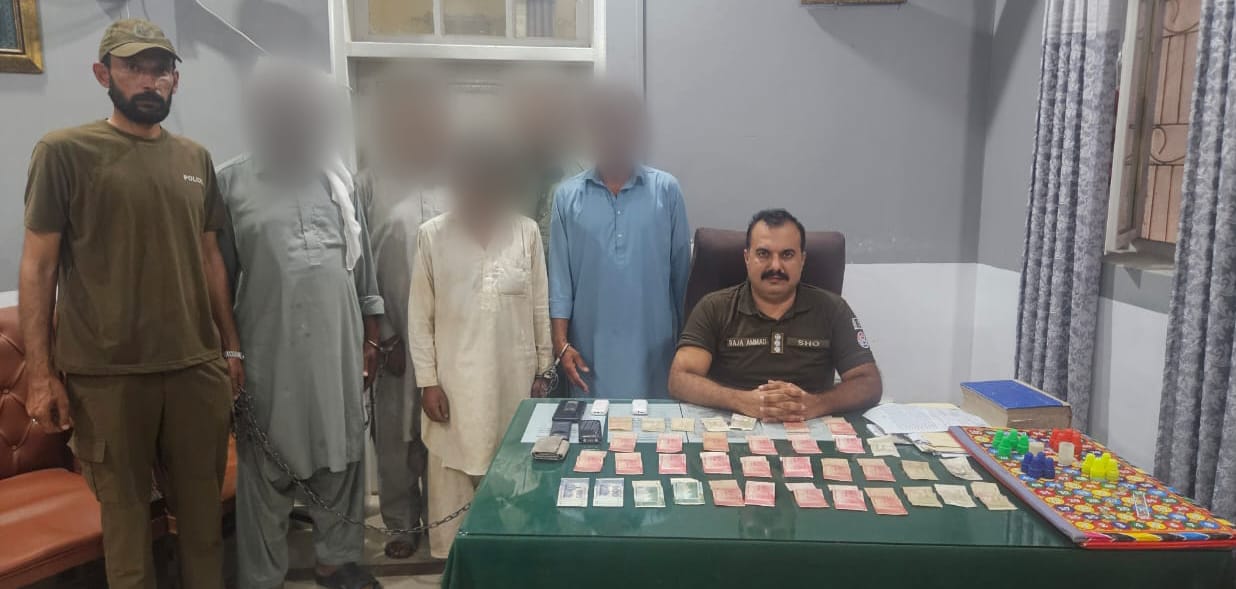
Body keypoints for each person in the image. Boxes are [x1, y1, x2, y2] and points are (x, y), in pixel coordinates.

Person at [18, 18, 240, 589]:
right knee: (127, 533)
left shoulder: (195, 157)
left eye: (160, 69)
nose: (149, 80)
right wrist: (41, 376)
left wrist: (231, 349)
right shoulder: (64, 152)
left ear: (175, 80)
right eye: (133, 67)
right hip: (107, 378)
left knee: (203, 527)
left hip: (194, 371)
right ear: (103, 74)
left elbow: (211, 257)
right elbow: (39, 266)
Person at [216, 60, 382, 589]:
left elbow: (362, 266)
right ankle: (262, 577)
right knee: (266, 468)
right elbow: (217, 281)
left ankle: (336, 563)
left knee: (342, 456)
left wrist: (372, 335)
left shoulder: (338, 179)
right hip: (270, 354)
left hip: (338, 350)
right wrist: (230, 351)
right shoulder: (230, 183)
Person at [409, 128, 553, 559]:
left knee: (515, 478)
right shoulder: (432, 235)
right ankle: (457, 569)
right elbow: (420, 317)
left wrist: (543, 370)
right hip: (454, 389)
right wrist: (427, 381)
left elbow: (540, 308)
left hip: (514, 384)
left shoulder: (526, 232)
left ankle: (508, 563)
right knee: (452, 485)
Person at [355, 66, 450, 560]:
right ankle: (399, 522)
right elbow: (360, 262)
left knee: (442, 425)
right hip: (393, 334)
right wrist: (382, 332)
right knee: (395, 430)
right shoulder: (369, 181)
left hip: (449, 335)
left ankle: (440, 518)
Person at [668, 209, 882, 420]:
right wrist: (740, 401)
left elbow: (869, 382)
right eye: (763, 254)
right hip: (733, 425)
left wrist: (816, 404)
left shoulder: (833, 309)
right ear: (747, 258)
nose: (776, 266)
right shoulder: (713, 307)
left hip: (809, 425)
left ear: (802, 260)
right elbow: (680, 379)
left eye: (787, 255)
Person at [548, 86, 691, 398]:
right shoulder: (567, 197)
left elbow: (682, 279)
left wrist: (688, 347)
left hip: (655, 354)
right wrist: (561, 344)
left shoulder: (666, 192)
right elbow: (560, 283)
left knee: (653, 426)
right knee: (592, 427)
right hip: (588, 358)